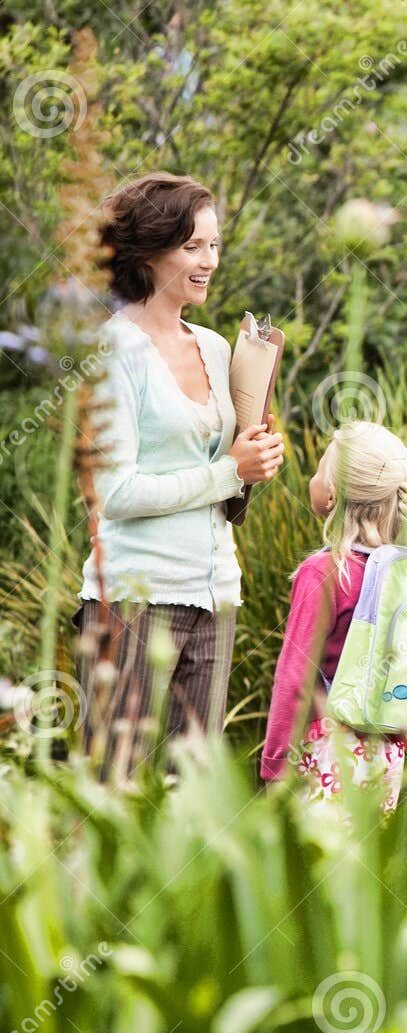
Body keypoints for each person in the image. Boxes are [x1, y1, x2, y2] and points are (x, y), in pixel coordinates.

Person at [77, 172, 284, 776]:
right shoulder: (113, 352)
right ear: (147, 253)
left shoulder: (217, 347)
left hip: (215, 592)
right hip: (134, 600)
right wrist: (226, 473)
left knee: (191, 795)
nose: (209, 261)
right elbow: (115, 493)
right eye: (192, 246)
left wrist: (255, 463)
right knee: (111, 788)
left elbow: (225, 467)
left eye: (215, 246)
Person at [260, 422, 407, 811]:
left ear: (331, 495)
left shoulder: (325, 572)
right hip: (386, 752)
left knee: (314, 868)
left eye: (319, 469)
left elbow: (295, 676)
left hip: (326, 752)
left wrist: (276, 763)